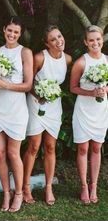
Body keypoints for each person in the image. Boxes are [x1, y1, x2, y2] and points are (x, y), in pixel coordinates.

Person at [0, 16, 33, 212]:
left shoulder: (25, 52)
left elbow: (28, 85)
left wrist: (6, 85)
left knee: (13, 153)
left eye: (16, 32)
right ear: (4, 29)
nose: (12, 34)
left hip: (16, 109)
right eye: (9, 30)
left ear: (20, 33)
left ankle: (19, 193)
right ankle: (6, 193)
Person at [23, 25, 72, 205]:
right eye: (53, 39)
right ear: (46, 43)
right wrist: (39, 95)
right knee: (34, 147)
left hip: (54, 106)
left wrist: (51, 95)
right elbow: (28, 82)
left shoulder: (67, 59)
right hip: (36, 104)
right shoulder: (39, 58)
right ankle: (25, 186)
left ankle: (49, 186)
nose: (59, 41)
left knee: (50, 146)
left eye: (59, 36)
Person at [70, 25, 108, 204]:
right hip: (84, 110)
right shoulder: (81, 62)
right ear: (86, 42)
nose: (95, 43)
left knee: (96, 148)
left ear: (102, 40)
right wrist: (91, 93)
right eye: (91, 40)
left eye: (98, 39)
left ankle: (94, 185)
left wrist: (104, 89)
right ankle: (84, 185)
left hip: (101, 111)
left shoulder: (107, 60)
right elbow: (73, 88)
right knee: (83, 148)